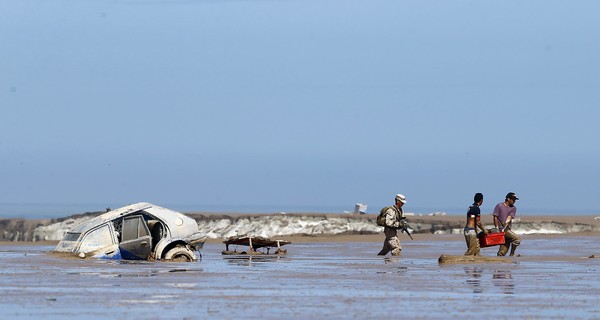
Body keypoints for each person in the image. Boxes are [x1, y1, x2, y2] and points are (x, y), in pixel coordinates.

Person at [493, 192, 521, 256]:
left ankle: (499, 260)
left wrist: (504, 228)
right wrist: (496, 227)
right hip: (501, 229)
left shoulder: (513, 208)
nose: (514, 201)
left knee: (502, 252)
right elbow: (495, 217)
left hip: (506, 229)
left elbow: (509, 219)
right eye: (513, 199)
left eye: (515, 200)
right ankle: (512, 254)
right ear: (508, 199)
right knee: (517, 239)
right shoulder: (499, 206)